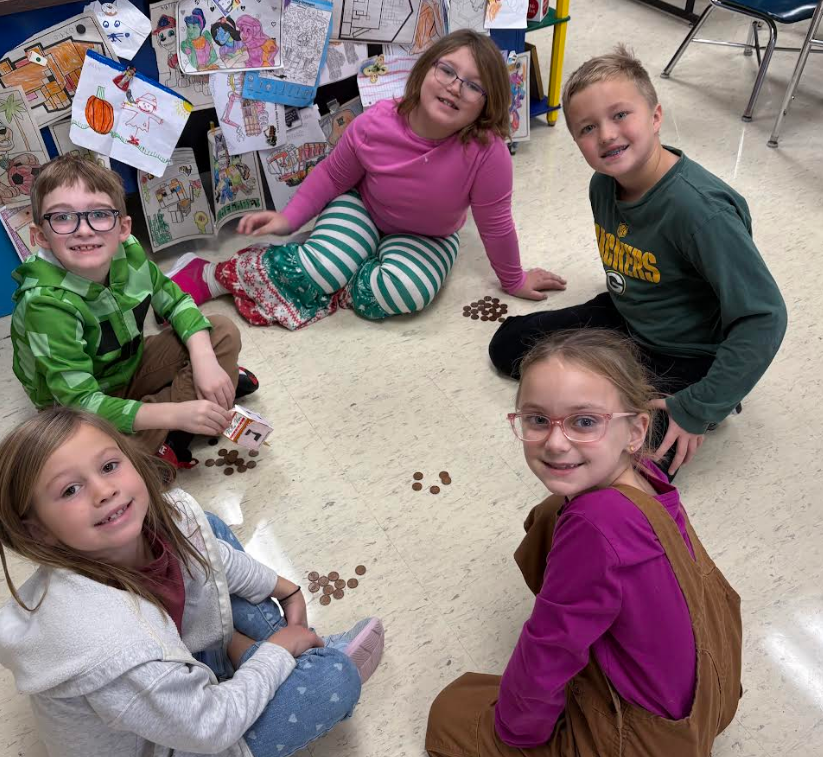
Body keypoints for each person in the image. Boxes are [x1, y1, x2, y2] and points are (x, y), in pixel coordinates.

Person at [0, 407, 385, 757]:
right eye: (70, 490)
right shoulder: (109, 647)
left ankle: (276, 651)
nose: (104, 491)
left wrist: (286, 588)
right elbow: (211, 727)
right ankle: (294, 658)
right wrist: (278, 653)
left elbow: (216, 558)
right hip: (176, 739)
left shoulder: (150, 524)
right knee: (333, 680)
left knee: (202, 530)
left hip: (176, 665)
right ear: (38, 530)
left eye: (109, 466)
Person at [426, 329, 742, 757]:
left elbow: (548, 648)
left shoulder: (595, 526)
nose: (556, 443)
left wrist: (515, 734)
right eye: (537, 419)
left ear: (635, 430)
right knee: (550, 514)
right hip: (712, 697)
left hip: (650, 741)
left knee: (451, 712)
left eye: (585, 421)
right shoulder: (648, 476)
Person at [487, 46, 787, 477]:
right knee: (509, 347)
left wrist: (699, 404)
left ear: (656, 116)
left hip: (690, 355)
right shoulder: (601, 185)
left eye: (620, 115)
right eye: (587, 128)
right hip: (626, 318)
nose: (607, 135)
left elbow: (765, 316)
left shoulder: (701, 212)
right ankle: (614, 389)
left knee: (641, 467)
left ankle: (702, 397)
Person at [229, 29, 565, 330]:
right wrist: (289, 218)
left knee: (404, 293)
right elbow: (332, 176)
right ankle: (232, 272)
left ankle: (343, 270)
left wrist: (513, 279)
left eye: (474, 85)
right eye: (447, 70)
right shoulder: (375, 122)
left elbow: (496, 224)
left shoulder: (487, 153)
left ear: (487, 105)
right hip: (363, 209)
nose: (455, 86)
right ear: (424, 69)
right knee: (322, 268)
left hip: (431, 236)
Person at [10, 154, 257, 468]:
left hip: (128, 365)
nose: (84, 230)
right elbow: (80, 402)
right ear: (40, 236)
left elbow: (177, 302)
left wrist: (204, 360)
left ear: (123, 228)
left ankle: (181, 413)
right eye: (62, 218)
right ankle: (182, 420)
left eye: (99, 214)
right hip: (78, 404)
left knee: (221, 332)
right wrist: (176, 412)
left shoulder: (130, 254)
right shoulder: (45, 304)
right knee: (91, 462)